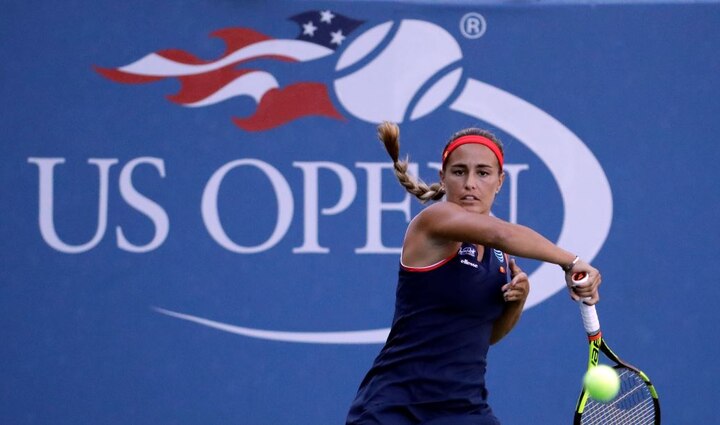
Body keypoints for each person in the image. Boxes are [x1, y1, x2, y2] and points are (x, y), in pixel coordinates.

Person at [345, 122, 601, 425]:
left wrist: (517, 302)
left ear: (499, 181)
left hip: (464, 410)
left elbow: (485, 335)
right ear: (443, 177)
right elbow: (501, 232)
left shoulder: (499, 257)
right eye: (458, 172)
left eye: (482, 173)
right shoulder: (434, 221)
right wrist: (570, 261)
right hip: (394, 408)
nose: (470, 183)